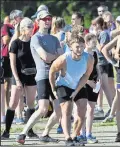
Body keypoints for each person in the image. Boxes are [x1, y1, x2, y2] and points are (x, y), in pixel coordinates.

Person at [16, 10, 62, 144]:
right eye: (44, 19)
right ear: (38, 21)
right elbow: (46, 58)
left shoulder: (54, 38)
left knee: (60, 109)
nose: (47, 21)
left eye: (49, 18)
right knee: (42, 108)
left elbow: (61, 58)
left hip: (57, 77)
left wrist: (55, 58)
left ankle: (45, 134)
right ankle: (23, 133)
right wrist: (56, 57)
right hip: (43, 76)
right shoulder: (36, 38)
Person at [49, 32, 94, 146]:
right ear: (70, 47)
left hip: (78, 85)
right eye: (77, 47)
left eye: (82, 46)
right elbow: (52, 71)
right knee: (67, 109)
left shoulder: (88, 58)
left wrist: (76, 91)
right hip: (63, 85)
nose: (80, 49)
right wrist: (53, 88)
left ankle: (74, 135)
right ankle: (67, 138)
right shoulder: (64, 58)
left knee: (82, 110)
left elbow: (86, 76)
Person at [1, 17, 37, 139]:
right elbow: (12, 63)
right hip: (18, 75)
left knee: (31, 103)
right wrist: (16, 79)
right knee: (13, 103)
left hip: (31, 74)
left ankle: (30, 130)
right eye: (29, 27)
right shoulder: (15, 43)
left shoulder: (34, 41)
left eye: (32, 27)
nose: (31, 29)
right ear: (22, 29)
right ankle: (6, 131)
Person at [77, 33, 99, 144]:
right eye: (93, 42)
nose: (95, 44)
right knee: (82, 110)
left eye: (96, 41)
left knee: (91, 110)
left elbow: (97, 68)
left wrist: (98, 80)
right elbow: (80, 72)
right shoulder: (83, 54)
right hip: (84, 84)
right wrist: (88, 82)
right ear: (87, 42)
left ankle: (89, 133)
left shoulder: (95, 53)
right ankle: (82, 133)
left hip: (94, 84)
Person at [1, 15, 15, 124]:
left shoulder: (12, 28)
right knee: (6, 85)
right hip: (5, 57)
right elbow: (5, 40)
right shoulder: (6, 27)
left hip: (11, 56)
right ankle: (5, 110)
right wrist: (15, 36)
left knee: (9, 84)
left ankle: (8, 109)